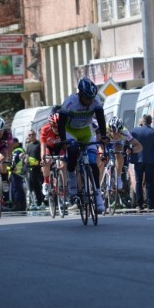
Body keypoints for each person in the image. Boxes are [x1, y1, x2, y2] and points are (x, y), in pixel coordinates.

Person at [57, 77, 108, 214]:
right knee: (73, 150)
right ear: (80, 93)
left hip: (86, 131)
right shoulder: (70, 102)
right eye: (87, 98)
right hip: (70, 131)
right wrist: (63, 140)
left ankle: (97, 195)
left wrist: (103, 136)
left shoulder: (95, 100)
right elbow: (61, 123)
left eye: (92, 98)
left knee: (92, 163)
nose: (90, 102)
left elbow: (101, 119)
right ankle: (71, 175)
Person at [131, 114, 154, 211]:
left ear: (143, 121)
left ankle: (139, 204)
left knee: (138, 182)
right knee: (149, 182)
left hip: (138, 160)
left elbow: (128, 143)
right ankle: (150, 203)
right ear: (150, 122)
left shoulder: (135, 131)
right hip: (149, 161)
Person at [105, 116, 143, 194]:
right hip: (106, 141)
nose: (116, 134)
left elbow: (139, 146)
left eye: (118, 132)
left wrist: (132, 150)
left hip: (118, 143)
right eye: (114, 132)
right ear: (109, 129)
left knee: (119, 154)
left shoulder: (125, 132)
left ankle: (118, 176)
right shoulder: (104, 129)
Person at [40, 113, 65, 198]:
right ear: (50, 125)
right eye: (54, 126)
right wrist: (42, 159)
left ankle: (63, 189)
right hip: (49, 148)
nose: (57, 129)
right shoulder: (45, 129)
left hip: (60, 148)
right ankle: (46, 182)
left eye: (58, 126)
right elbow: (42, 146)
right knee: (46, 161)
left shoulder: (64, 129)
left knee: (63, 165)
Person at [25, 130, 44, 210]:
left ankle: (45, 201)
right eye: (30, 135)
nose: (31, 136)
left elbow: (42, 154)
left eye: (33, 134)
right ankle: (39, 202)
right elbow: (27, 155)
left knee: (42, 185)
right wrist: (25, 160)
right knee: (34, 186)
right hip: (31, 169)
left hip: (39, 168)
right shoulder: (29, 146)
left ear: (35, 135)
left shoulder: (39, 144)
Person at [10, 138, 26, 211]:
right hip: (15, 173)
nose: (11, 144)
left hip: (17, 173)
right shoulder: (14, 151)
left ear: (17, 143)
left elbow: (16, 160)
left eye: (13, 142)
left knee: (16, 190)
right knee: (18, 189)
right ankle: (21, 205)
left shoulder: (19, 150)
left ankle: (17, 205)